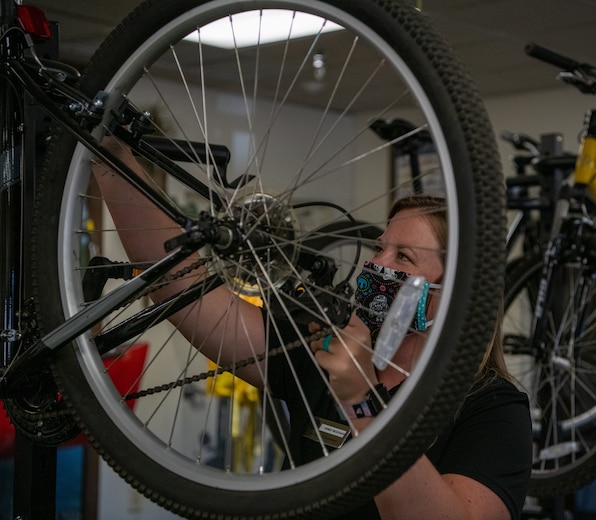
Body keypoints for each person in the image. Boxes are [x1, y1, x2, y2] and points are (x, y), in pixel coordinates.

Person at [93, 139, 533, 519]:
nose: (376, 264)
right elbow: (183, 287)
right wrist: (109, 159)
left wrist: (360, 400)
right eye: (380, 247)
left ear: (455, 292)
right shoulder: (326, 346)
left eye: (403, 258)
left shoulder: (493, 409)